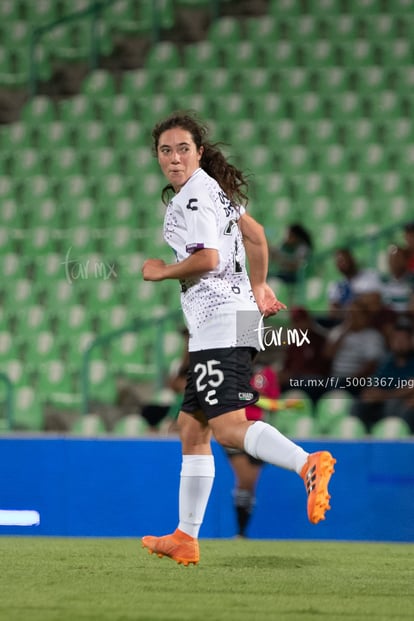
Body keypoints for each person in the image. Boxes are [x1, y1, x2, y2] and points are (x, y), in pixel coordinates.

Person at [140, 111, 336, 566]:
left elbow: (208, 259)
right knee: (192, 427)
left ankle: (307, 464)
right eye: (165, 150)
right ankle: (186, 537)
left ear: (199, 152)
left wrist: (162, 271)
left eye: (182, 149)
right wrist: (261, 286)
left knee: (227, 426)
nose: (173, 158)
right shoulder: (216, 190)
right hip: (239, 314)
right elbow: (258, 236)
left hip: (218, 320)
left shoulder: (189, 200)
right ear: (157, 155)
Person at [225, 355, 280, 538]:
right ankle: (240, 531)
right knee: (244, 479)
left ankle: (242, 531)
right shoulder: (230, 370)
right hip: (234, 428)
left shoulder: (267, 373)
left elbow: (273, 403)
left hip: (258, 430)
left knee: (250, 485)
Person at [350, 317, 414, 432]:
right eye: (396, 339)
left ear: (411, 341)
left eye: (403, 339)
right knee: (359, 404)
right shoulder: (387, 360)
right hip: (384, 399)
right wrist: (372, 393)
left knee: (394, 406)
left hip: (400, 402)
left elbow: (410, 387)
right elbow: (375, 382)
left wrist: (385, 395)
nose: (399, 343)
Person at [323, 298, 386, 395]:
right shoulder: (338, 331)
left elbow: (371, 365)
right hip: (336, 378)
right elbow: (327, 355)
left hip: (359, 381)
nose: (353, 318)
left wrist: (352, 380)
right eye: (350, 314)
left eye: (357, 315)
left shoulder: (373, 336)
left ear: (365, 317)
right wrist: (345, 332)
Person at [278, 306, 330, 403]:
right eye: (295, 322)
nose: (297, 325)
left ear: (308, 321)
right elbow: (287, 366)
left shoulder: (320, 340)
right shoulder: (294, 343)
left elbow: (321, 369)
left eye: (300, 321)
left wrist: (292, 376)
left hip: (313, 380)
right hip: (294, 379)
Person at [327, 248, 382, 320]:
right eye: (339, 262)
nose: (342, 263)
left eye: (344, 259)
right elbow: (332, 312)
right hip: (347, 324)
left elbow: (375, 300)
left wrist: (346, 305)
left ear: (352, 258)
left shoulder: (370, 276)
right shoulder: (336, 286)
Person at [380, 244, 414, 313]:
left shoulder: (412, 280)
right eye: (390, 258)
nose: (393, 261)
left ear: (406, 260)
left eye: (397, 257)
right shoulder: (382, 281)